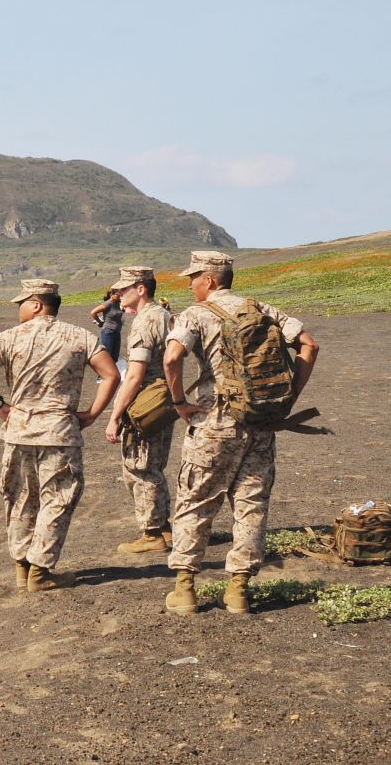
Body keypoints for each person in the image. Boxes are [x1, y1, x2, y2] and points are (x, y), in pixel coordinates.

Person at [161, 251, 320, 616]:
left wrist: (180, 401)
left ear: (211, 280)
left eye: (194, 278)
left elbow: (172, 359)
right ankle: (237, 592)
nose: (190, 285)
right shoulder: (264, 310)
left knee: (196, 501)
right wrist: (289, 397)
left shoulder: (195, 315)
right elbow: (310, 344)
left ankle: (185, 590)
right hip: (261, 423)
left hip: (213, 425)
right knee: (251, 506)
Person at [0, 279, 120, 592]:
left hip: (19, 431)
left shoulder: (7, 338)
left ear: (37, 303)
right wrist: (92, 413)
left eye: (22, 303)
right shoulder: (79, 336)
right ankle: (40, 568)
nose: (19, 309)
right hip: (59, 432)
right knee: (58, 499)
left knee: (21, 497)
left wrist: (0, 405)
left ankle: (23, 565)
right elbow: (111, 374)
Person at [102, 266, 175, 554]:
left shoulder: (146, 322)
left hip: (146, 401)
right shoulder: (163, 315)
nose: (118, 294)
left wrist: (115, 415)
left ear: (141, 289)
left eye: (124, 288)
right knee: (153, 464)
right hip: (162, 399)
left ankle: (152, 533)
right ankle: (165, 528)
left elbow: (134, 375)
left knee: (140, 468)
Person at [89, 288, 126, 374]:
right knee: (107, 356)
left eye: (120, 294)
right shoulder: (108, 303)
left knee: (115, 356)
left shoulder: (118, 303)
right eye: (118, 295)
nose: (120, 296)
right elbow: (93, 312)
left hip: (117, 332)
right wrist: (100, 322)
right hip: (108, 332)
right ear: (112, 295)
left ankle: (111, 375)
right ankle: (102, 375)